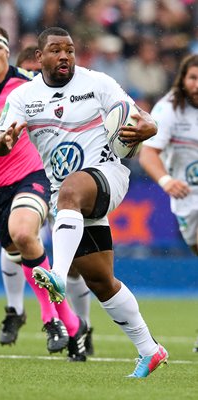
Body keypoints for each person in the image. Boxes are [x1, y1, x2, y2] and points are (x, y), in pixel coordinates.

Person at [0, 26, 169, 378]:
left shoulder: (96, 82)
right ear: (39, 57)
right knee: (101, 281)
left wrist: (148, 127)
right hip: (66, 198)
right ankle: (150, 350)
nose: (65, 57)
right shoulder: (25, 96)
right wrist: (5, 140)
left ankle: (56, 274)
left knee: (72, 190)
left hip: (107, 176)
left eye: (70, 50)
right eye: (56, 50)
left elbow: (142, 118)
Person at [0, 23, 88, 361]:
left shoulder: (27, 83)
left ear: (7, 52)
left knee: (23, 233)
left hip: (32, 176)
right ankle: (72, 323)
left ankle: (51, 318)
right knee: (21, 250)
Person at [16, 43, 95, 355]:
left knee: (75, 264)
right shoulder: (20, 101)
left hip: (66, 185)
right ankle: (36, 315)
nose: (31, 78)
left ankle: (81, 326)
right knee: (23, 239)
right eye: (25, 73)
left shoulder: (69, 95)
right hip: (30, 183)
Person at [138, 53, 198, 352]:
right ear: (183, 80)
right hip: (187, 196)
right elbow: (148, 153)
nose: (197, 84)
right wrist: (165, 181)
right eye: (193, 78)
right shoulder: (170, 108)